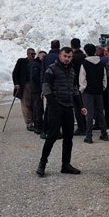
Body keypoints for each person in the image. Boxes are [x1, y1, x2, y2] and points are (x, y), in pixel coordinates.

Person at [37, 47, 87, 177]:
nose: (67, 59)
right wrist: (53, 104)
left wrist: (81, 105)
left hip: (68, 107)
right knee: (52, 136)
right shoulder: (51, 69)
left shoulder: (71, 71)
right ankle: (42, 163)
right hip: (55, 108)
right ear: (60, 55)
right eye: (65, 56)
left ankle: (66, 165)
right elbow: (46, 87)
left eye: (69, 57)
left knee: (68, 137)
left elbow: (75, 89)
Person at [79, 43, 109, 143]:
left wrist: (82, 89)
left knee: (89, 114)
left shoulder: (84, 64)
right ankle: (104, 134)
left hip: (88, 92)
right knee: (100, 113)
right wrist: (103, 88)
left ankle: (89, 136)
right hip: (99, 91)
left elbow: (82, 79)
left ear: (86, 52)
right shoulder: (101, 63)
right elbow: (104, 78)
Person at [12, 48, 35, 130]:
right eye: (32, 54)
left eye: (34, 54)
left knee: (33, 104)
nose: (33, 55)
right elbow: (15, 73)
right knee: (26, 104)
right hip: (25, 85)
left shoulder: (35, 62)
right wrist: (16, 83)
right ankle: (29, 123)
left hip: (34, 85)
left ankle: (34, 121)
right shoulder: (21, 61)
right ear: (27, 54)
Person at [70, 38, 87, 135]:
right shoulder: (84, 56)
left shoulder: (73, 58)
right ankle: (86, 124)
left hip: (75, 84)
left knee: (77, 106)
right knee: (85, 105)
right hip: (85, 84)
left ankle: (81, 127)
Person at [29, 50, 47, 135]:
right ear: (39, 56)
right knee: (38, 108)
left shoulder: (40, 63)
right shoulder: (35, 64)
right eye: (42, 56)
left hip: (38, 89)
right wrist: (42, 86)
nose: (44, 58)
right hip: (36, 90)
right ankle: (37, 126)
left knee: (39, 108)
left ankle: (39, 125)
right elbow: (35, 77)